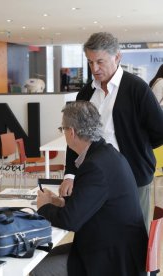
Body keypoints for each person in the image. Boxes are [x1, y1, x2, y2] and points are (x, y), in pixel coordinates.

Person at [31, 101, 148, 276]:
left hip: (113, 259)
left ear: (71, 132)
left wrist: (44, 206)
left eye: (62, 129)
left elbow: (71, 221)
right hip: (117, 246)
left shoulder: (95, 166)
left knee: (36, 268)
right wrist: (61, 202)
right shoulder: (106, 154)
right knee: (37, 256)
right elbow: (90, 201)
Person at [59, 32, 163, 229]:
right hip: (94, 177)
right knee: (99, 233)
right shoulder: (86, 92)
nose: (95, 69)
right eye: (90, 62)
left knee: (134, 235)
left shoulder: (137, 88)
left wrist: (138, 147)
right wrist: (70, 174)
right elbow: (74, 137)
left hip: (134, 177)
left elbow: (159, 131)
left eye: (100, 61)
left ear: (117, 57)